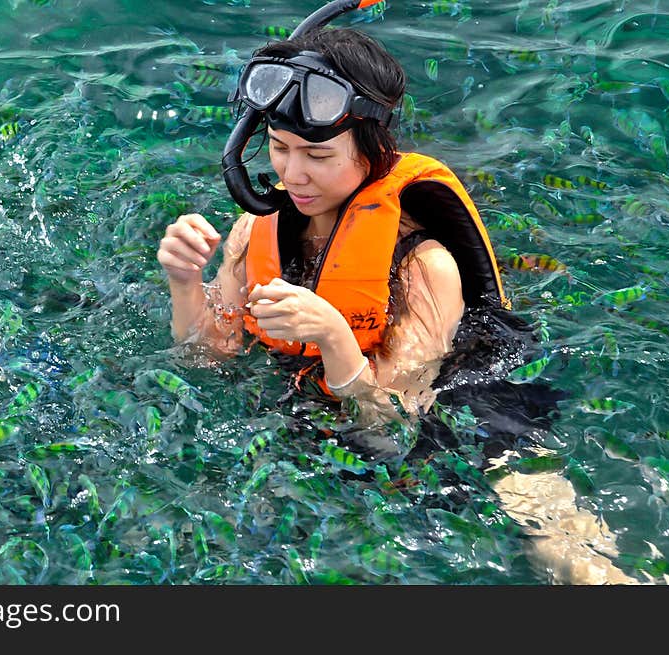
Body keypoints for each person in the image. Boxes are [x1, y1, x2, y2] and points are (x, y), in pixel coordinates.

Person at [158, 26, 506, 440]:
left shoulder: (425, 266)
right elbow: (207, 357)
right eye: (279, 147)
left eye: (318, 155)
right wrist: (184, 281)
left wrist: (334, 338)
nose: (292, 174)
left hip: (464, 431)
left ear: (374, 152)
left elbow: (392, 425)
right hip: (299, 428)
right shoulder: (255, 227)